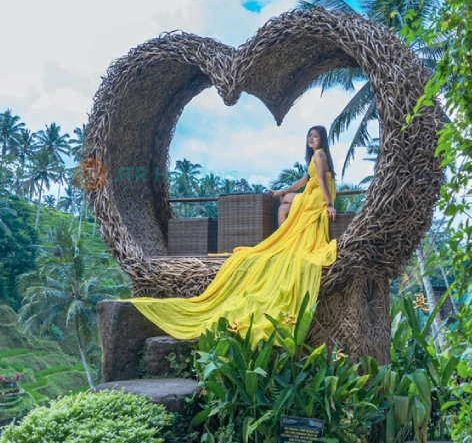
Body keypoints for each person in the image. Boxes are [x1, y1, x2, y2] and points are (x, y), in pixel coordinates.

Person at [128, 125, 337, 346]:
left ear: (322, 139)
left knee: (284, 207)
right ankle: (284, 234)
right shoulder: (314, 157)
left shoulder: (321, 155)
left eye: (315, 136)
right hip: (312, 191)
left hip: (320, 196)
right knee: (283, 205)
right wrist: (283, 191)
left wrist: (330, 205)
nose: (311, 139)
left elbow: (321, 181)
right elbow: (305, 180)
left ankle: (283, 237)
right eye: (309, 136)